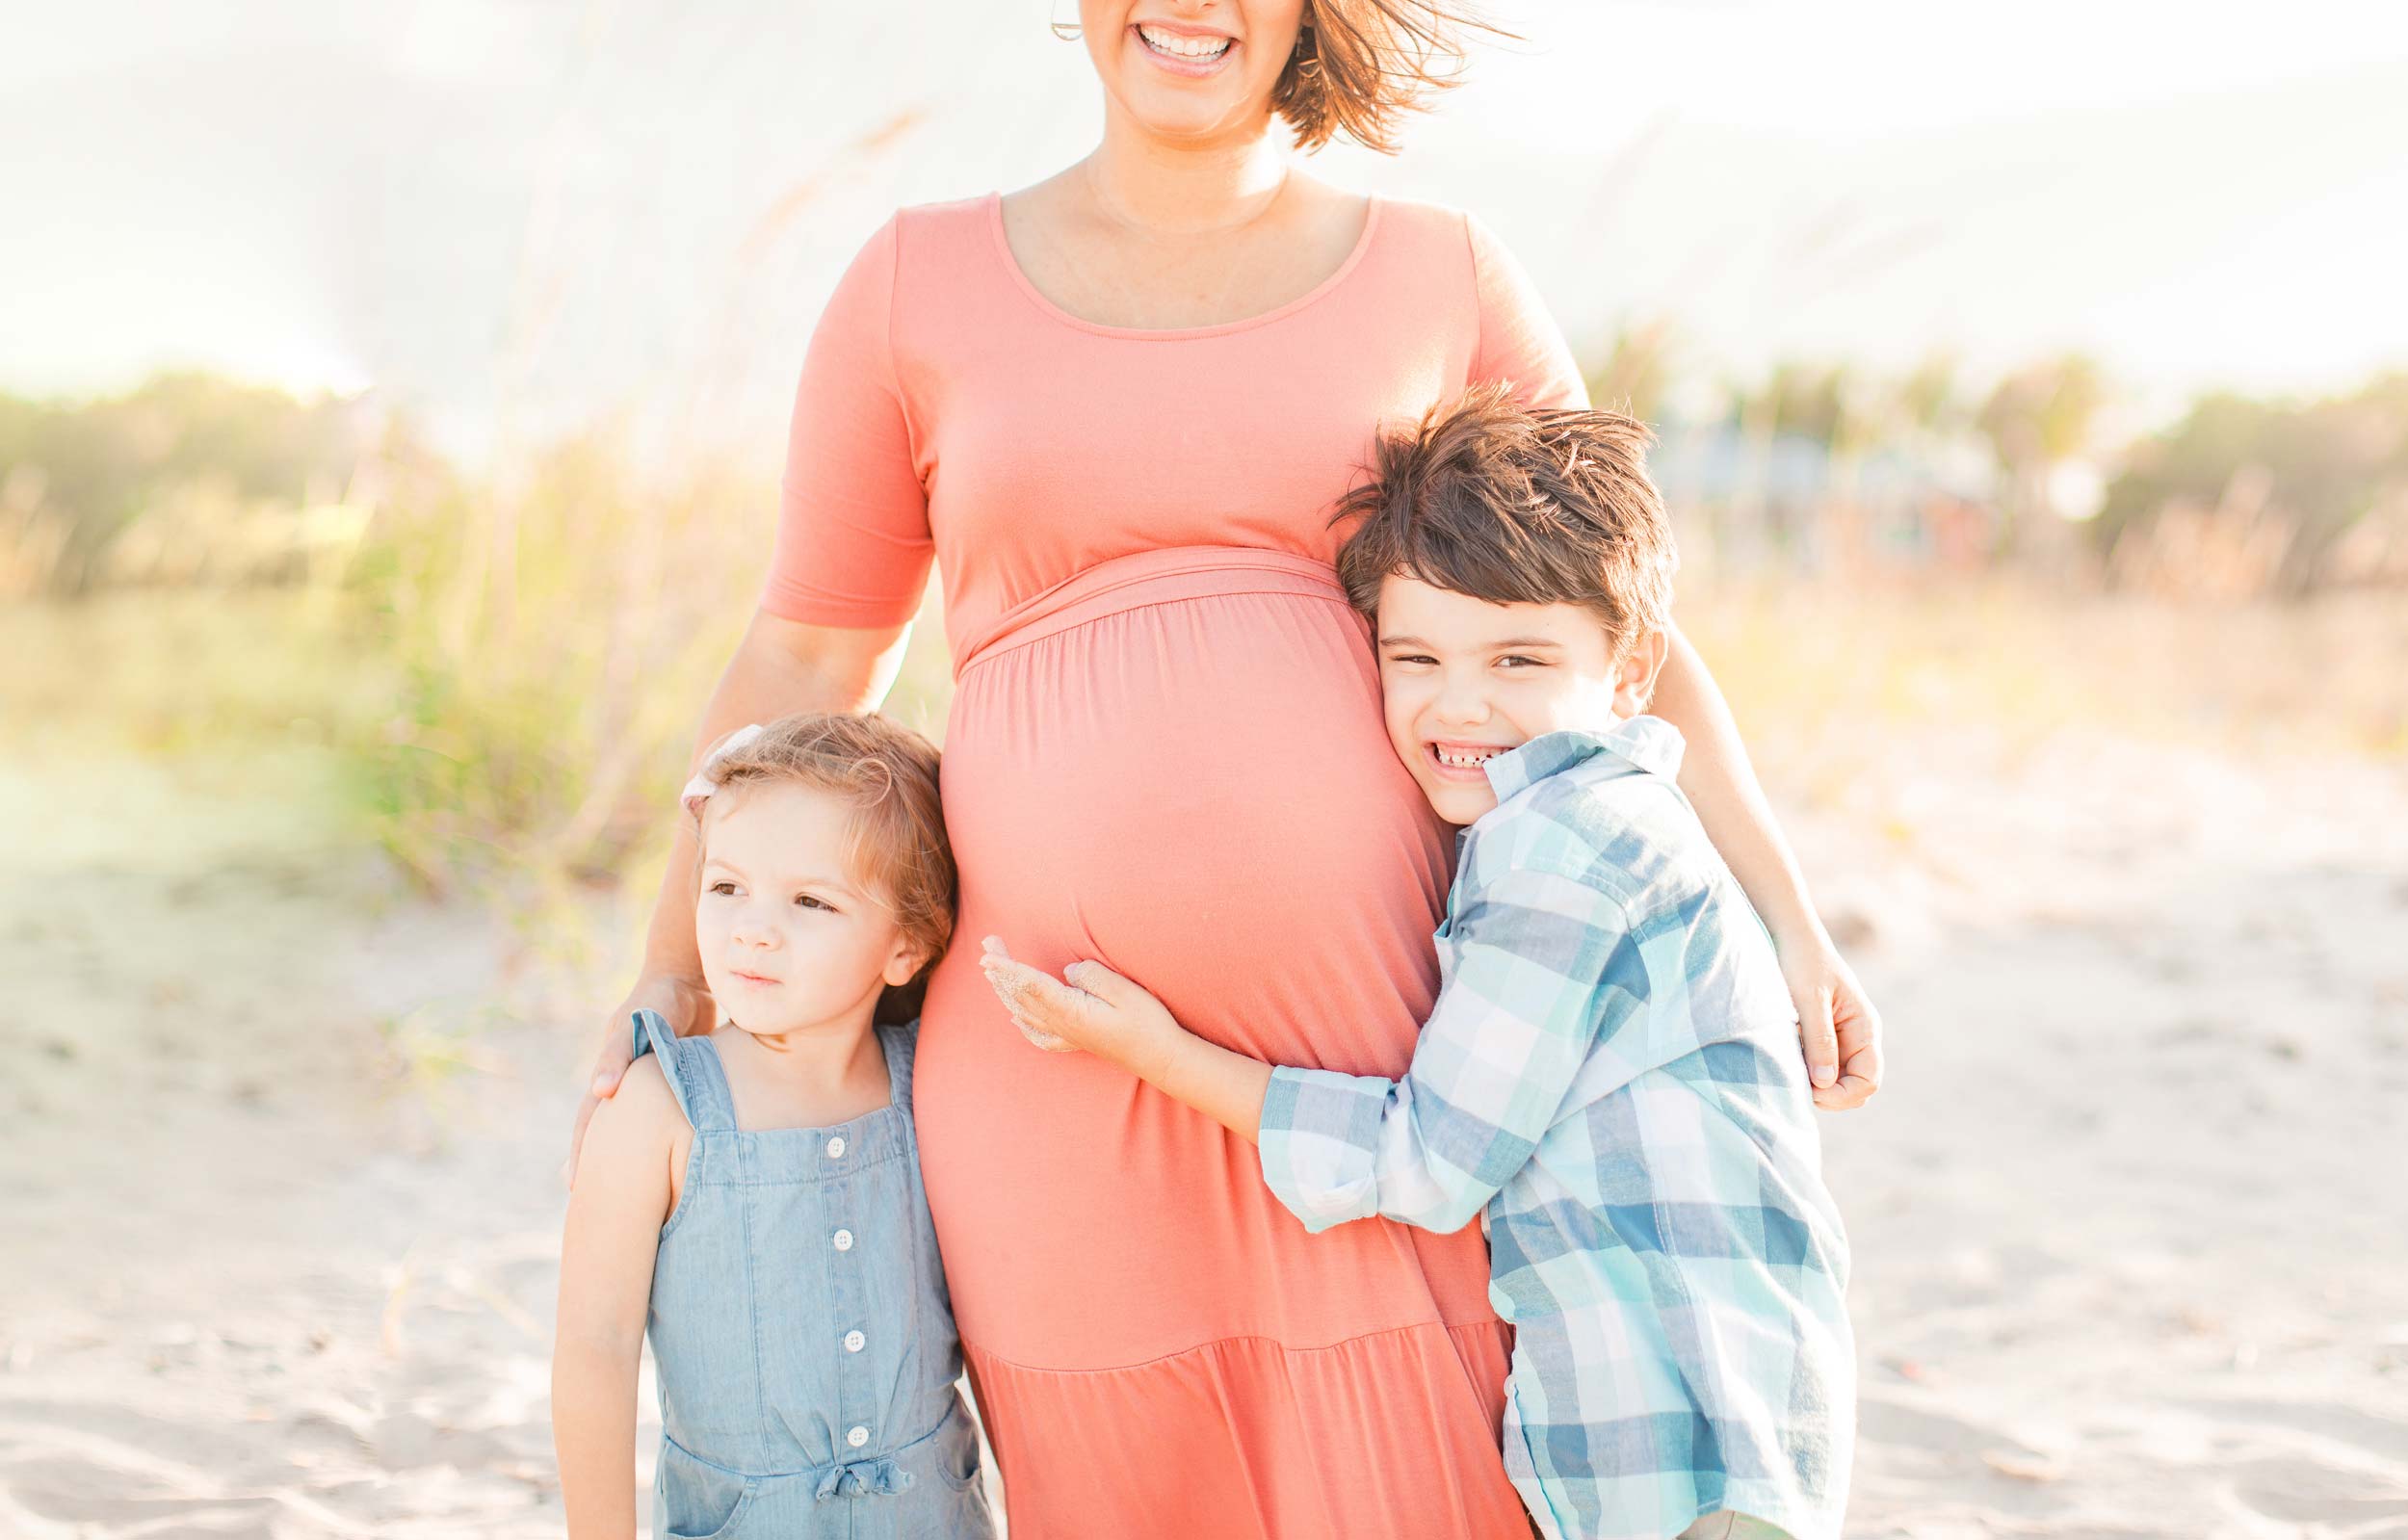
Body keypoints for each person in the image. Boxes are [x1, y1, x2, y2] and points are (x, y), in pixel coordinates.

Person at [570, 3, 1881, 1531]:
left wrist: (1787, 914)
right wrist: (678, 961)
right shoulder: (913, 283)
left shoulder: (1438, 268)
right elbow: (804, 655)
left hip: (1389, 1064)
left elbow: (1623, 625)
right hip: (1051, 1056)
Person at [981, 390, 1854, 1540]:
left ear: (1630, 671)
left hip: (1679, 1447)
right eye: (1415, 656)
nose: (1460, 703)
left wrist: (1157, 1053)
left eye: (1519, 658)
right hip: (1703, 1428)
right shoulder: (1604, 820)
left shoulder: (1565, 848)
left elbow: (1432, 1162)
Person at [554, 713, 994, 1539]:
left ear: (906, 947)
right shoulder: (659, 1107)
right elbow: (594, 1344)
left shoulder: (930, 1082)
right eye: (726, 887)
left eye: (809, 900)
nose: (754, 926)